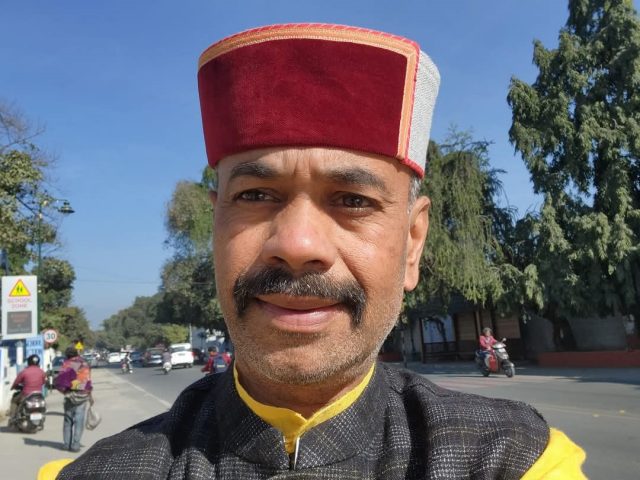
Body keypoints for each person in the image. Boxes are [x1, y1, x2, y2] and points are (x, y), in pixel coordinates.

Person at [55, 23, 585, 478]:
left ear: (412, 243)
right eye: (256, 195)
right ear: (215, 225)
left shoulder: (511, 458)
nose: (297, 245)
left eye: (353, 200)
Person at [54, 346, 93, 452]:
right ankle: (76, 445)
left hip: (70, 395)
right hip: (83, 395)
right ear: (77, 354)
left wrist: (64, 391)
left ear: (67, 355)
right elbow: (88, 380)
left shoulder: (67, 364)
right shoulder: (85, 363)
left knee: (68, 420)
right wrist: (88, 392)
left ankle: (67, 444)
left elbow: (61, 381)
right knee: (79, 421)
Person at [9, 354, 46, 421]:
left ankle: (13, 417)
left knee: (14, 400)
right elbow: (44, 382)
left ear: (28, 362)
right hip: (38, 396)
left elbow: (16, 382)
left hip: (26, 395)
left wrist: (13, 387)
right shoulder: (41, 372)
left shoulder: (24, 372)